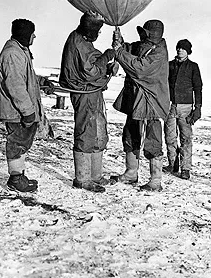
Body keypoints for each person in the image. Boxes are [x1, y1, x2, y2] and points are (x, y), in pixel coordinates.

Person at [59, 11, 117, 193]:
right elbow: (90, 70)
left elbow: (91, 65)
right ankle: (83, 179)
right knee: (86, 131)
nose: (98, 35)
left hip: (92, 93)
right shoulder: (79, 43)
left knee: (98, 130)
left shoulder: (80, 40)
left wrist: (106, 66)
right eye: (97, 31)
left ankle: (95, 176)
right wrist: (108, 56)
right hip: (85, 95)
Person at [111, 20, 170, 191]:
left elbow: (139, 68)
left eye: (145, 33)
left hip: (151, 101)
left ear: (152, 34)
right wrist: (120, 41)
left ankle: (155, 180)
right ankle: (131, 173)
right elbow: (130, 49)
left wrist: (119, 51)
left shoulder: (158, 52)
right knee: (130, 134)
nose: (141, 35)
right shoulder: (145, 46)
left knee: (153, 138)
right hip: (137, 99)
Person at [0, 19, 54, 193]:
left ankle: (19, 175)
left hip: (21, 110)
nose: (34, 36)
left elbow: (26, 77)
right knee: (17, 143)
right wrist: (28, 112)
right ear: (25, 34)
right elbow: (16, 86)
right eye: (32, 33)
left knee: (23, 143)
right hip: (17, 111)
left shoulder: (20, 51)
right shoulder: (12, 54)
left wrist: (42, 81)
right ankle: (15, 179)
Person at [164, 39, 203, 180]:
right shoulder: (169, 65)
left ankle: (185, 168)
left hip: (186, 107)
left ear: (188, 51)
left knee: (186, 138)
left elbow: (198, 88)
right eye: (178, 48)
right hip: (170, 106)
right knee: (169, 137)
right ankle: (172, 163)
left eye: (183, 48)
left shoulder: (193, 67)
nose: (180, 50)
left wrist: (197, 108)